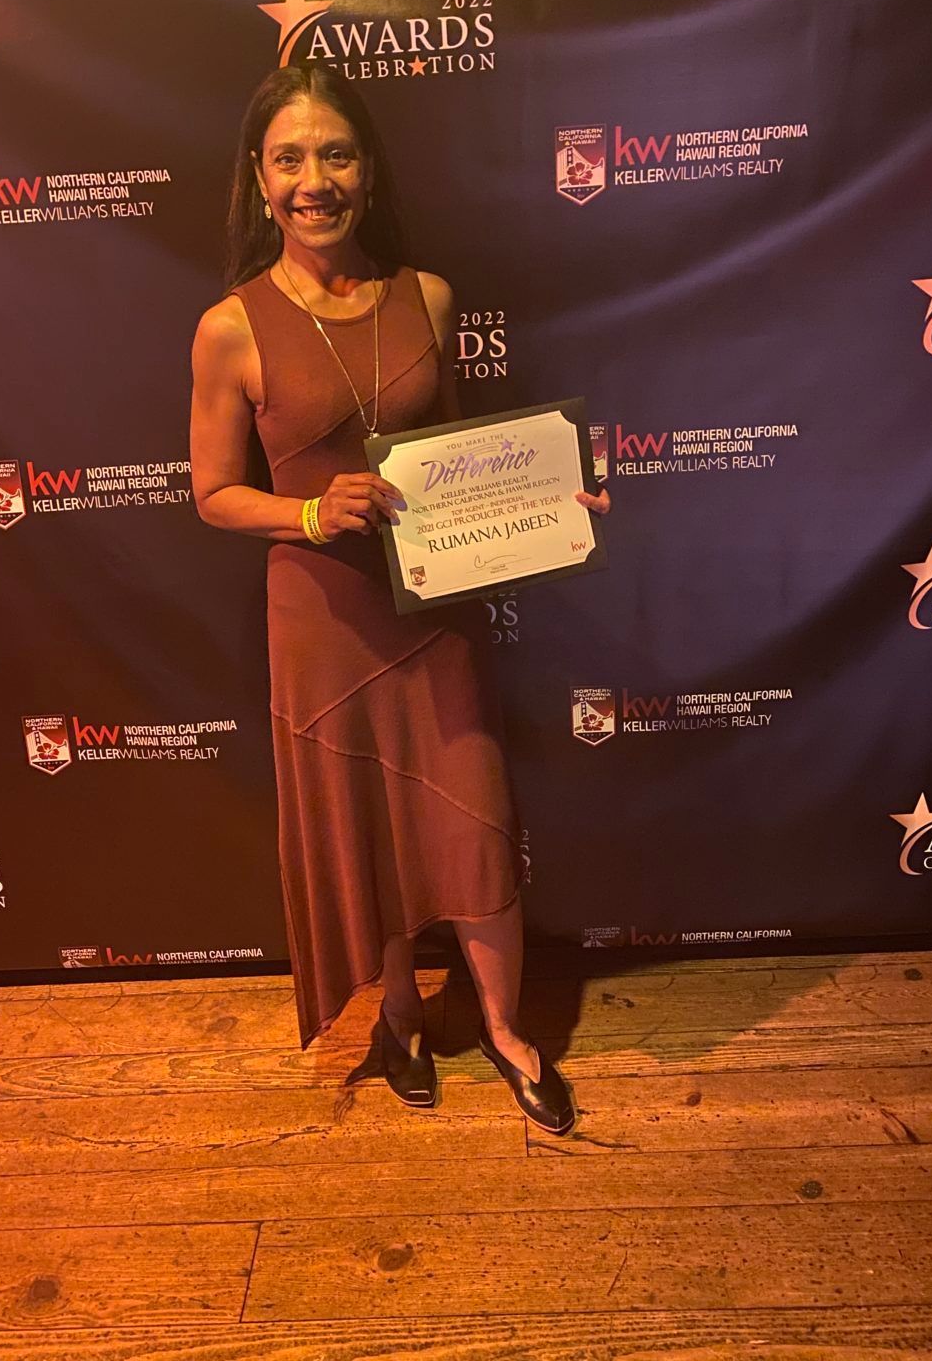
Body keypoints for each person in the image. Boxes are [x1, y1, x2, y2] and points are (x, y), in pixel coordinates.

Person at [189, 62, 610, 1134]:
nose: (313, 179)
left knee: (473, 816)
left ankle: (509, 1031)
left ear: (367, 172)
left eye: (335, 154)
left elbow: (462, 460)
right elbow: (213, 496)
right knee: (368, 831)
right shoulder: (229, 327)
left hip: (434, 620)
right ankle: (400, 1020)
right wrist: (312, 514)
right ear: (260, 176)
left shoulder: (427, 298)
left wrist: (551, 500)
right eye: (290, 158)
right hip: (323, 626)